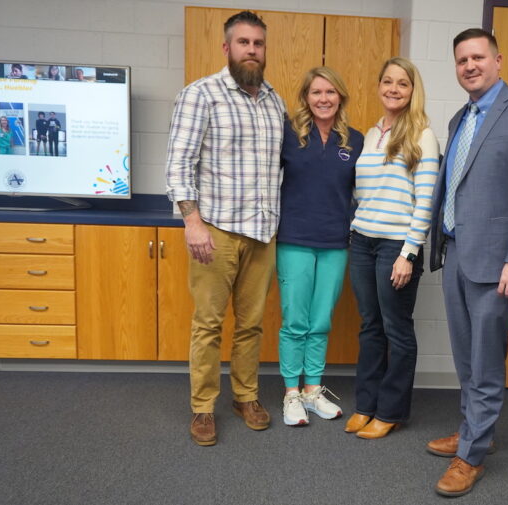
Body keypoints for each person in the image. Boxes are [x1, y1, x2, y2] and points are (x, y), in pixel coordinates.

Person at [427, 28, 508, 497]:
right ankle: (474, 432)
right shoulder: (461, 116)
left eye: (478, 57)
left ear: (498, 60)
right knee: (466, 357)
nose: (470, 66)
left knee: (485, 359)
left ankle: (472, 455)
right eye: (462, 60)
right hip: (457, 251)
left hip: (501, 262)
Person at [165, 10, 285, 447]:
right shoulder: (201, 95)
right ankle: (202, 407)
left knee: (251, 325)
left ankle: (246, 397)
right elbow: (178, 165)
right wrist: (192, 222)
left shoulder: (275, 100)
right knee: (209, 325)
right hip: (215, 232)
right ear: (227, 48)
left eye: (258, 44)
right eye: (243, 43)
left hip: (262, 234)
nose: (251, 50)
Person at [344, 57, 439, 439]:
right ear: (379, 86)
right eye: (387, 81)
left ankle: (391, 410)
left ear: (413, 90)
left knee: (396, 329)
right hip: (362, 242)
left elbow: (425, 200)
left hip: (396, 246)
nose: (394, 89)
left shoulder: (422, 134)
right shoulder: (371, 134)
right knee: (370, 327)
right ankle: (365, 405)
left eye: (403, 83)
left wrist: (408, 253)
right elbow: (363, 192)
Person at [278, 67, 363, 426]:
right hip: (294, 239)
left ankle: (312, 391)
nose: (324, 99)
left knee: (321, 321)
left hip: (334, 242)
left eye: (330, 92)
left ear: (340, 96)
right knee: (295, 321)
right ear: (306, 98)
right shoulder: (288, 135)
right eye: (316, 92)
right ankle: (290, 395)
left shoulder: (355, 141)